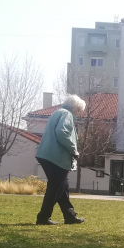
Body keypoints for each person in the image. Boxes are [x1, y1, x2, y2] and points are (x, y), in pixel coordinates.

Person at [34, 95, 86, 225]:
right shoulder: (67, 114)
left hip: (46, 155)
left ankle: (69, 216)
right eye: (78, 110)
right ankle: (43, 217)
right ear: (73, 107)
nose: (78, 113)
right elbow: (62, 133)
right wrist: (74, 150)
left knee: (62, 187)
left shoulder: (56, 113)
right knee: (56, 188)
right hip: (56, 157)